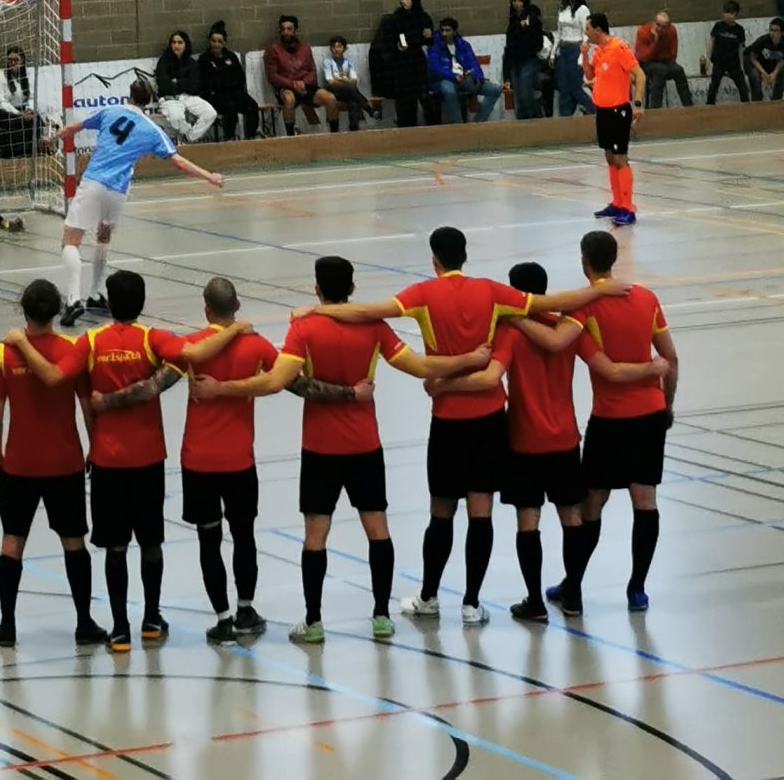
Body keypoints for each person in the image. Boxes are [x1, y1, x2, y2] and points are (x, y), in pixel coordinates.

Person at [296, 223, 615, 627]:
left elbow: (368, 311)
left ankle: (429, 596)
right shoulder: (492, 292)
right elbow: (554, 302)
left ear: (435, 260)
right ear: (465, 255)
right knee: (481, 514)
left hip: (448, 420)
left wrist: (319, 310)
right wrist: (601, 289)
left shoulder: (422, 294)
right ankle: (471, 603)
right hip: (489, 421)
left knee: (441, 513)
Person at [234, 251, 484, 644]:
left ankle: (313, 622)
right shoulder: (373, 327)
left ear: (316, 289)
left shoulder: (304, 329)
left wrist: (225, 389)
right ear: (352, 288)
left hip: (320, 446)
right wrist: (469, 358)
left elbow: (275, 381)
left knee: (315, 534)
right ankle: (381, 615)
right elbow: (420, 367)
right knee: (377, 529)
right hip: (364, 443)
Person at [6, 267, 240, 653]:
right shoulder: (152, 339)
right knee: (151, 543)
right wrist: (235, 328)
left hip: (107, 462)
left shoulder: (91, 341)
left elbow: (52, 376)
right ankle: (151, 620)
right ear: (142, 302)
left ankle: (118, 629)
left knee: (115, 547)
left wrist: (20, 341)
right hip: (147, 458)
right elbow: (193, 354)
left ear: (110, 303)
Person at [443, 258, 666, 622]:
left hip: (524, 439)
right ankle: (573, 595)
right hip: (564, 438)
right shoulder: (567, 329)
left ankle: (534, 602)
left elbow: (490, 375)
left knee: (528, 520)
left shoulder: (510, 332)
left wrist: (444, 382)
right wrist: (652, 369)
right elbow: (605, 365)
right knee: (571, 516)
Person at [557, 228, 679, 614]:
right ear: (614, 259)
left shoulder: (582, 309)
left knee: (592, 502)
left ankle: (573, 585)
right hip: (650, 415)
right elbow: (671, 359)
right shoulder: (646, 297)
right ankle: (637, 589)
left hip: (610, 419)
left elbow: (608, 370)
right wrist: (666, 404)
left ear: (584, 262)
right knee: (645, 499)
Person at [0, 276, 109, 649]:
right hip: (64, 463)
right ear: (56, 311)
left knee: (12, 542)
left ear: (23, 310)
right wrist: (94, 448)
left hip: (19, 465)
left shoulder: (4, 353)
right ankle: (84, 622)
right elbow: (87, 407)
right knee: (74, 542)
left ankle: (7, 626)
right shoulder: (71, 350)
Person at [62, 77, 224, 323]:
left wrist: (56, 135)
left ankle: (73, 300)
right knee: (103, 240)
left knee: (71, 240)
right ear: (149, 101)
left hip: (94, 184)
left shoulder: (110, 111)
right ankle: (95, 294)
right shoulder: (151, 129)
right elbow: (179, 162)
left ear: (129, 94)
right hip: (117, 194)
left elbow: (74, 128)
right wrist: (209, 176)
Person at [173, 275, 278, 641]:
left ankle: (222, 618)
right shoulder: (257, 345)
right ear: (238, 306)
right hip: (239, 461)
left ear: (206, 311)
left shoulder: (192, 345)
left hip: (198, 459)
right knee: (244, 535)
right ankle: (245, 609)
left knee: (209, 540)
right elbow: (287, 378)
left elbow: (158, 379)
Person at [583, 11, 644, 226]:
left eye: (588, 29)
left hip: (619, 110)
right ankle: (617, 203)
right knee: (609, 156)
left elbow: (640, 75)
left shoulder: (618, 48)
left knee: (620, 158)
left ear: (598, 30)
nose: (586, 33)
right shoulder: (598, 51)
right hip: (603, 110)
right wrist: (585, 56)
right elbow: (591, 75)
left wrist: (638, 103)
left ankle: (628, 208)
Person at [369, 0, 434, 129]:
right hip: (401, 63)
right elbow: (389, 41)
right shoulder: (396, 18)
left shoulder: (423, 17)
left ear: (414, 0)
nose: (404, 1)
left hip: (417, 61)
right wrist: (397, 47)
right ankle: (406, 127)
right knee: (404, 98)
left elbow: (429, 40)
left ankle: (430, 126)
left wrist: (428, 36)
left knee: (423, 95)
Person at [263, 16, 334, 136]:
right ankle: (291, 136)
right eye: (283, 29)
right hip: (286, 87)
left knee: (330, 98)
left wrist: (304, 83)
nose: (285, 32)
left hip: (305, 86)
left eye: (289, 29)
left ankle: (334, 134)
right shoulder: (273, 49)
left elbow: (312, 70)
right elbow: (272, 76)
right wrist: (293, 84)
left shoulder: (305, 47)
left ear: (295, 30)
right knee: (289, 99)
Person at [428, 18, 499, 124]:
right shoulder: (435, 46)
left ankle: (479, 121)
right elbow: (435, 67)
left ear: (454, 31)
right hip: (445, 79)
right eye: (442, 30)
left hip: (465, 78)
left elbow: (473, 62)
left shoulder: (463, 45)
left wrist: (478, 78)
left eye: (447, 30)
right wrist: (453, 76)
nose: (444, 33)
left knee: (495, 89)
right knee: (448, 90)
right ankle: (458, 124)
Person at [198, 24, 260, 142]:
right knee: (230, 107)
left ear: (224, 43)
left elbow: (240, 77)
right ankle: (230, 137)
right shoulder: (204, 59)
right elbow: (205, 82)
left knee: (252, 105)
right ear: (209, 42)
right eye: (213, 41)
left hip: (235, 93)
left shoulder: (231, 57)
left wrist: (234, 88)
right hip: (215, 96)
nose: (216, 44)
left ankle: (251, 136)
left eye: (219, 41)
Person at [152, 29, 216, 143]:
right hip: (170, 98)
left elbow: (195, 86)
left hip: (188, 96)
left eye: (180, 42)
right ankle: (187, 134)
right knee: (176, 117)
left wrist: (177, 82)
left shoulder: (191, 63)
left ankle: (190, 137)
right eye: (174, 42)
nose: (176, 45)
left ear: (186, 44)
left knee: (210, 113)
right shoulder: (164, 61)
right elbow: (164, 86)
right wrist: (184, 82)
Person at [0, 45, 54, 160]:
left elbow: (33, 96)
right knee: (19, 121)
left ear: (22, 61)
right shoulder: (1, 75)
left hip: (25, 109)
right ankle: (19, 155)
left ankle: (37, 152)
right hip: (7, 112)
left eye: (16, 60)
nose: (13, 63)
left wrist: (29, 109)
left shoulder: (28, 74)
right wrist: (19, 114)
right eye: (10, 60)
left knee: (36, 119)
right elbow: (1, 102)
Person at [502, 0, 548, 122]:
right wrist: (506, 76)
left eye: (519, 0)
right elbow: (508, 49)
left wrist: (527, 26)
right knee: (519, 97)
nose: (516, 3)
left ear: (524, 1)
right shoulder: (512, 23)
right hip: (515, 62)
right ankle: (523, 123)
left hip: (530, 60)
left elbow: (538, 43)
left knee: (525, 90)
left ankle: (534, 119)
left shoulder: (533, 19)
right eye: (514, 0)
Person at [634, 10, 692, 109]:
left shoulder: (672, 31)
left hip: (664, 62)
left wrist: (664, 59)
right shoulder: (643, 31)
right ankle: (655, 108)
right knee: (660, 70)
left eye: (663, 27)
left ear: (668, 27)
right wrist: (655, 41)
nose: (660, 29)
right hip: (645, 64)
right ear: (654, 22)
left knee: (679, 70)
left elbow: (673, 54)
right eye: (658, 25)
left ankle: (689, 106)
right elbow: (643, 57)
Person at [551, 0, 590, 118]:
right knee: (563, 88)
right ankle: (565, 120)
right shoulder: (562, 9)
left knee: (576, 87)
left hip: (576, 49)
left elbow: (586, 34)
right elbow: (559, 33)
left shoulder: (582, 9)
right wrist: (553, 53)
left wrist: (581, 57)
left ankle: (595, 111)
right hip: (563, 50)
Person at [702, 2, 752, 105]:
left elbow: (741, 48)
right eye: (725, 12)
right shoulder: (718, 26)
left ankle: (746, 104)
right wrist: (708, 60)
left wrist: (742, 65)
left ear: (735, 14)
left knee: (742, 85)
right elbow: (712, 42)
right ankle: (709, 104)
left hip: (734, 63)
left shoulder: (739, 30)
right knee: (714, 85)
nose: (726, 15)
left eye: (729, 13)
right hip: (719, 61)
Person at [319, 34, 372, 130]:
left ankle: (354, 130)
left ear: (345, 49)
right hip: (333, 92)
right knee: (351, 89)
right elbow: (331, 81)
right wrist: (346, 81)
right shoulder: (327, 62)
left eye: (339, 46)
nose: (336, 49)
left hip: (347, 93)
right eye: (333, 47)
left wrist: (340, 80)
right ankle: (369, 109)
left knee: (353, 102)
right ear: (331, 49)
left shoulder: (349, 62)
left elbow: (354, 81)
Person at [748, 16, 784, 102]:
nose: (772, 33)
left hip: (772, 65)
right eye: (771, 30)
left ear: (782, 32)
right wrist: (763, 73)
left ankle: (776, 99)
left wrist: (774, 74)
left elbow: (782, 61)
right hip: (757, 64)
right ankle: (757, 101)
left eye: (776, 31)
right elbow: (753, 58)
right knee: (755, 76)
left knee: (783, 73)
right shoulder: (763, 41)